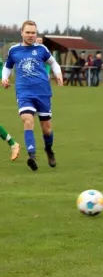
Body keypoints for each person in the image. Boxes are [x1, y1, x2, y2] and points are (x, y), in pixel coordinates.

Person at [2, 20, 63, 171]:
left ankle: (49, 150)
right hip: (24, 92)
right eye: (28, 32)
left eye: (33, 33)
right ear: (22, 33)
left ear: (36, 34)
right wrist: (4, 78)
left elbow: (54, 63)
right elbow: (7, 67)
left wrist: (58, 73)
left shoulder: (41, 49)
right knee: (27, 120)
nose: (30, 35)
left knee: (46, 128)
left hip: (42, 93)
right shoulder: (14, 50)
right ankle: (32, 156)